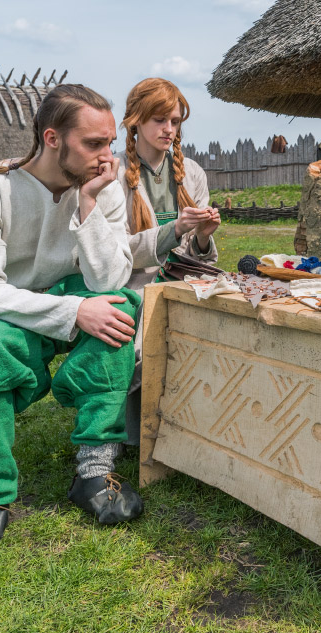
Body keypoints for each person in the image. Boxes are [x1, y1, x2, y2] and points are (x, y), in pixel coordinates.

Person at [0, 84, 144, 560]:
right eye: (93, 144)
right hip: (9, 311)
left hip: (74, 295)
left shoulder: (103, 187)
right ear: (53, 138)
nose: (107, 157)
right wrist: (73, 312)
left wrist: (89, 204)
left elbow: (109, 279)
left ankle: (94, 470)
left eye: (110, 143)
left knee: (120, 306)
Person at [115, 77, 220, 444]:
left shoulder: (193, 173)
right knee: (143, 329)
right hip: (133, 283)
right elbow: (113, 253)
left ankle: (197, 424)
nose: (169, 129)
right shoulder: (114, 175)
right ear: (135, 121)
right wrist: (172, 230)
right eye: (160, 120)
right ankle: (134, 430)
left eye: (175, 121)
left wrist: (203, 235)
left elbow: (196, 255)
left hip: (182, 280)